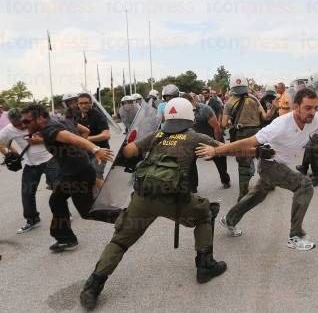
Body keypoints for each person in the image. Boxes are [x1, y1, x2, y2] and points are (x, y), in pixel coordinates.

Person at [79, 98, 230, 311]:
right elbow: (227, 149)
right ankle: (205, 265)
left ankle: (92, 287)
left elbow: (129, 152)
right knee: (207, 213)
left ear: (167, 116)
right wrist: (256, 150)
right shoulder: (195, 137)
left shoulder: (156, 135)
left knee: (120, 241)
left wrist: (133, 139)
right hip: (176, 202)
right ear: (190, 116)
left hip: (143, 199)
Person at [198, 87, 318, 251]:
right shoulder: (280, 124)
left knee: (257, 196)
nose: (312, 112)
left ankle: (229, 219)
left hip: (279, 164)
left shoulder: (315, 119)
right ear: (296, 107)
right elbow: (249, 142)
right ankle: (296, 236)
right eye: (308, 108)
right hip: (270, 164)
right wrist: (216, 150)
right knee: (304, 186)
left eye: (315, 108)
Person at [20, 104, 119, 252]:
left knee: (87, 212)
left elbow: (71, 137)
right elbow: (85, 131)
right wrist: (78, 152)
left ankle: (126, 217)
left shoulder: (49, 129)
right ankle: (65, 239)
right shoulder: (62, 121)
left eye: (27, 121)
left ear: (40, 119)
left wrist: (95, 149)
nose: (24, 125)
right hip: (73, 171)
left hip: (78, 173)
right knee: (56, 200)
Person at [0, 108, 61, 233]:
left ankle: (63, 214)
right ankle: (32, 219)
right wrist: (8, 154)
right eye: (17, 125)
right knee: (27, 193)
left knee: (58, 188)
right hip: (31, 163)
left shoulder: (38, 123)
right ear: (11, 123)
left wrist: (41, 140)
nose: (22, 126)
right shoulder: (8, 130)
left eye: (23, 123)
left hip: (49, 159)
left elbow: (58, 136)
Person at [222, 75, 274, 201]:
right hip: (257, 134)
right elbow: (266, 117)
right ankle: (270, 183)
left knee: (243, 164)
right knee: (265, 158)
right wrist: (274, 108)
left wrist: (231, 122)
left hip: (241, 135)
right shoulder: (254, 99)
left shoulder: (229, 102)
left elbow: (224, 124)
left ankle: (243, 194)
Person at [193, 96, 231, 188]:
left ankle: (225, 180)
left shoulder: (204, 109)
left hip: (213, 138)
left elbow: (216, 127)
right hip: (196, 140)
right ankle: (192, 187)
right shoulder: (183, 111)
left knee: (220, 164)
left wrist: (217, 145)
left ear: (193, 101)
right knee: (190, 163)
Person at [77, 93, 111, 191]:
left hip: (100, 151)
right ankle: (95, 201)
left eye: (86, 103)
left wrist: (85, 140)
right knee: (88, 179)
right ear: (78, 104)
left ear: (91, 103)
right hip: (85, 153)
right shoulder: (77, 116)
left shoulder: (98, 116)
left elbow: (106, 135)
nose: (83, 105)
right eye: (81, 103)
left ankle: (106, 201)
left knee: (97, 177)